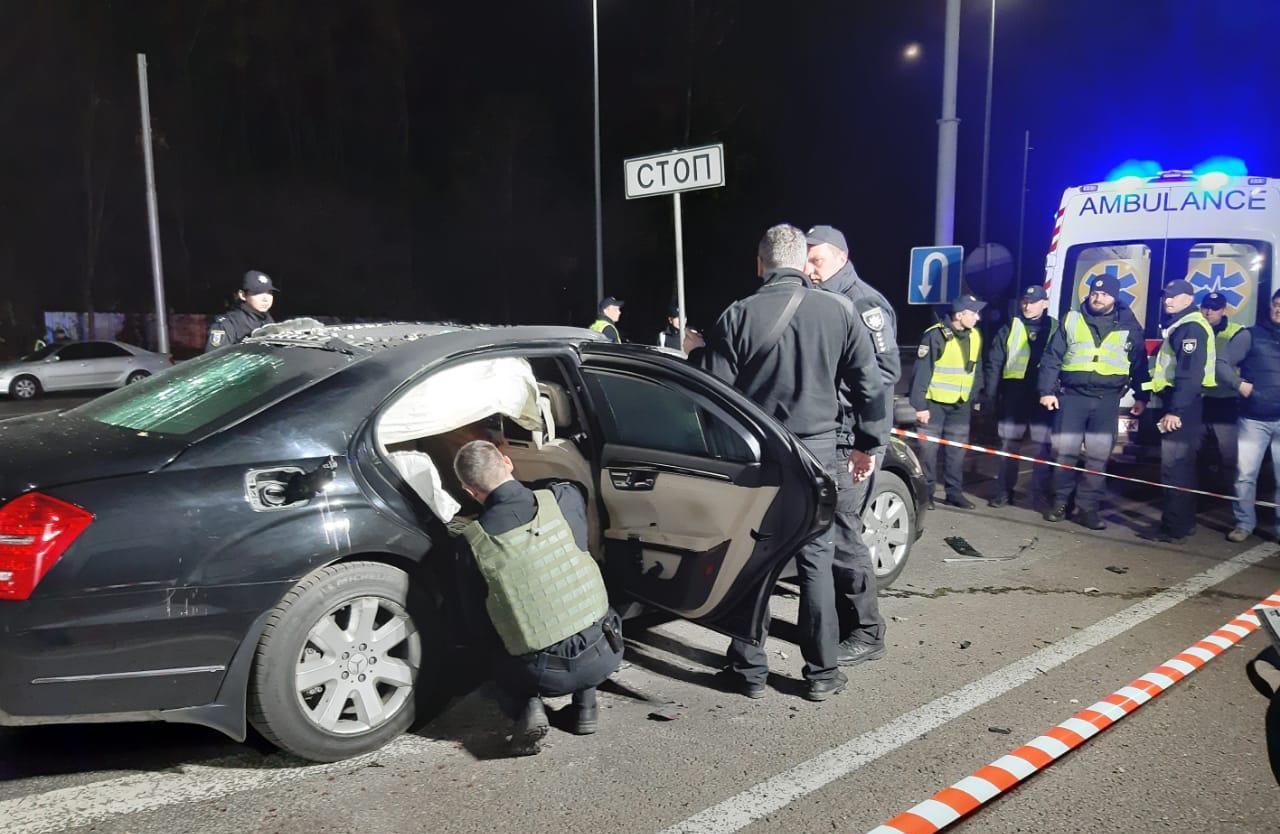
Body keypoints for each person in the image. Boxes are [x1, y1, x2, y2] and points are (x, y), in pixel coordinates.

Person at [690, 223, 886, 702]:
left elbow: (714, 398)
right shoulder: (839, 312)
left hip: (759, 457)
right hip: (818, 455)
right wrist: (868, 444)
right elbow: (871, 388)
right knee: (816, 559)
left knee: (752, 559)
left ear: (760, 265)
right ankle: (821, 673)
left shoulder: (736, 315)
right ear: (803, 264)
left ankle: (747, 668)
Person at [452, 440, 623, 756]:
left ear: (470, 491)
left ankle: (526, 705)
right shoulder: (562, 499)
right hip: (607, 648)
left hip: (544, 672)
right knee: (572, 599)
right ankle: (586, 708)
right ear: (507, 462)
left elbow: (477, 624)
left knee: (496, 644)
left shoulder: (472, 543)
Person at [805, 224, 897, 667]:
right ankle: (843, 623)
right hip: (833, 435)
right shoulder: (824, 300)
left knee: (843, 532)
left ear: (841, 256)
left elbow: (882, 376)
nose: (809, 268)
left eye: (816, 259)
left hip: (852, 438)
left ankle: (866, 629)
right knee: (830, 531)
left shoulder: (863, 303)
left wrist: (857, 431)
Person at [1038, 273, 1149, 530]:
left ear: (1115, 297)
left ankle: (1088, 509)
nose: (1098, 298)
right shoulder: (1072, 319)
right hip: (1072, 397)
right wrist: (1046, 390)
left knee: (1098, 458)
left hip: (1106, 400)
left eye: (1105, 294)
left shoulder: (1130, 326)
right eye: (1095, 293)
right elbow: (1052, 357)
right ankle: (1061, 503)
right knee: (1064, 453)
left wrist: (1143, 396)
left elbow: (1140, 365)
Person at [1138, 278, 1216, 542]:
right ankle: (1182, 523)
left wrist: (1176, 411)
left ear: (1189, 298)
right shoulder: (1181, 325)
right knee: (1180, 467)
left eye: (1174, 296)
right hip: (1180, 403)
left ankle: (1174, 528)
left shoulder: (1191, 327)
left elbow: (1189, 375)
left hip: (1183, 405)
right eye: (1166, 296)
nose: (1168, 300)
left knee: (1175, 468)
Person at [909, 294, 986, 510]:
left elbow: (976, 368)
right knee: (928, 452)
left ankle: (954, 493)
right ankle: (927, 494)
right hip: (933, 405)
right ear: (960, 315)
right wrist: (920, 406)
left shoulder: (975, 335)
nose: (978, 317)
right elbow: (921, 373)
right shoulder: (935, 335)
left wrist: (974, 397)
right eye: (974, 313)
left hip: (960, 405)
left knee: (957, 451)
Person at [983, 285, 1057, 508]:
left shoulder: (1055, 327)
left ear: (1044, 303)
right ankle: (1003, 492)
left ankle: (1040, 494)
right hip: (1014, 393)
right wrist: (991, 396)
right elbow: (994, 363)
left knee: (1043, 447)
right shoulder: (1010, 326)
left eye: (1033, 301)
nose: (1027, 305)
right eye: (1025, 301)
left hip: (1043, 394)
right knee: (1009, 446)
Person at [1216, 289, 1280, 543]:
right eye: (1276, 305)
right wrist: (1239, 384)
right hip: (1254, 419)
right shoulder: (1250, 335)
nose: (1279, 310)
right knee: (1245, 475)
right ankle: (1244, 523)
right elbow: (1221, 363)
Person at [1199, 291, 1246, 497]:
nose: (1209, 312)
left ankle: (1229, 498)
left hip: (1226, 400)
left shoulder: (1236, 332)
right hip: (1199, 399)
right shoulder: (1195, 329)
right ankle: (1199, 494)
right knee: (1196, 454)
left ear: (1223, 310)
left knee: (1229, 456)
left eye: (1215, 308)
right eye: (1206, 307)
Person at [205, 270, 278, 352]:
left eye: (269, 293)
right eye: (258, 293)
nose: (265, 299)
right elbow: (215, 359)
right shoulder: (227, 324)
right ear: (242, 295)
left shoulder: (267, 319)